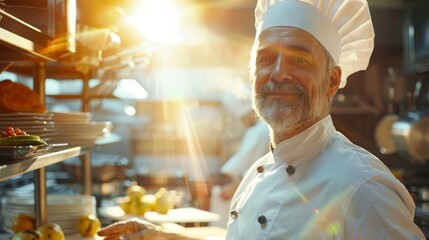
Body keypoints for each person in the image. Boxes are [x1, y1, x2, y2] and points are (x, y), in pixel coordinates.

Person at [98, 0, 426, 239]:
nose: (279, 72)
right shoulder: (254, 177)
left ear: (331, 81)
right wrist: (166, 236)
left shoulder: (362, 187)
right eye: (266, 58)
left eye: (299, 58)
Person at [210, 99, 270, 228]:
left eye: (242, 117)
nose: (242, 122)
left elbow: (255, 166)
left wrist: (234, 186)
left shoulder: (260, 131)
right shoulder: (258, 130)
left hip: (248, 186)